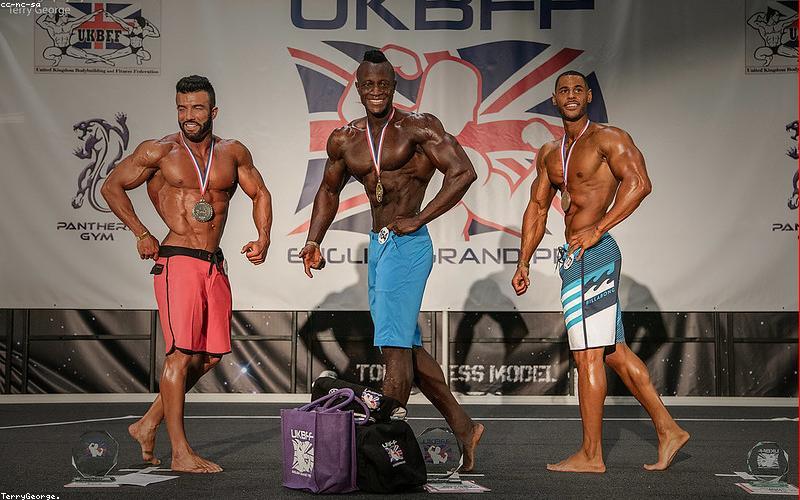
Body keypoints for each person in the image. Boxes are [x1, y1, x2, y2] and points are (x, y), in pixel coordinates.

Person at [299, 50, 484, 471]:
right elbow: (328, 191)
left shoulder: (418, 127)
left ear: (393, 86)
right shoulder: (345, 139)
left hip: (409, 244)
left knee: (394, 346)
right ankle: (463, 426)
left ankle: (386, 443)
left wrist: (419, 218)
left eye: (384, 84)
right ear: (358, 89)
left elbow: (463, 172)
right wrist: (314, 239)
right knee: (405, 344)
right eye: (369, 84)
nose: (377, 91)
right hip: (379, 245)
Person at [512, 70, 689, 473]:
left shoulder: (609, 138)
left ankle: (591, 456)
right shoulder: (549, 153)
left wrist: (599, 227)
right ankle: (668, 430)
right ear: (554, 100)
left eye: (578, 90)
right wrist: (523, 260)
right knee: (614, 353)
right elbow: (538, 209)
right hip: (571, 257)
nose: (571, 95)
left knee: (587, 356)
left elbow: (640, 183)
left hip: (594, 253)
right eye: (563, 91)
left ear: (589, 96)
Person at [101, 75, 272, 473]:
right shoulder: (160, 151)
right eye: (182, 108)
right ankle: (180, 453)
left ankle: (147, 424)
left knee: (210, 355)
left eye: (196, 108)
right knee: (180, 356)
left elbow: (259, 193)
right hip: (177, 259)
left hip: (214, 263)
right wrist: (142, 232)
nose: (188, 116)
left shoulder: (233, 152)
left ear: (212, 112)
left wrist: (263, 237)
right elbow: (111, 186)